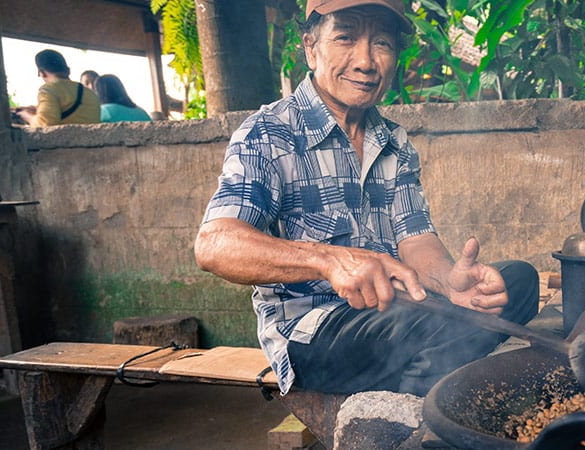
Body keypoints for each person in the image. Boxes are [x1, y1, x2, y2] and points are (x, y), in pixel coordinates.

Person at [194, 0, 539, 398]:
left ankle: (425, 391)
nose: (365, 61)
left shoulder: (395, 142)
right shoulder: (268, 133)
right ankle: (418, 416)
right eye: (345, 37)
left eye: (381, 43)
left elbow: (416, 240)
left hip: (399, 312)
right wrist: (328, 260)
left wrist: (451, 282)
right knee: (429, 325)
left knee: (517, 281)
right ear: (311, 47)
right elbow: (214, 244)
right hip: (316, 329)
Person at [15, 49, 100, 127]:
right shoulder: (90, 93)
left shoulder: (48, 90)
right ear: (68, 70)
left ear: (42, 73)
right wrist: (37, 108)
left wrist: (26, 116)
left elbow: (44, 124)